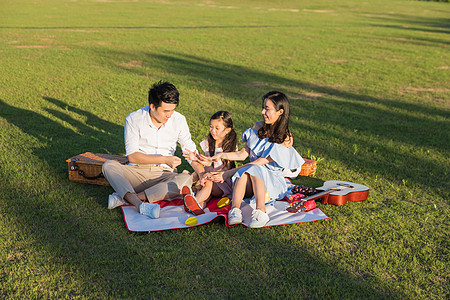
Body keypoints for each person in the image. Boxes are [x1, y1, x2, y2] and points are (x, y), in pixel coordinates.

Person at [102, 81, 205, 218]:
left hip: (164, 175)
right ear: (153, 106)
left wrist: (202, 173)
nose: (170, 115)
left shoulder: (179, 120)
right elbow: (133, 156)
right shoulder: (134, 119)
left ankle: (126, 198)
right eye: (166, 111)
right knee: (109, 166)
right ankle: (140, 205)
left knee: (185, 179)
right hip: (137, 172)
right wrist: (165, 159)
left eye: (173, 110)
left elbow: (191, 153)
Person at [208, 91, 304, 228]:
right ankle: (235, 210)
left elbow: (260, 162)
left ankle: (261, 211)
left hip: (271, 182)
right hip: (252, 176)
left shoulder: (285, 138)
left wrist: (228, 173)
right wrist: (221, 155)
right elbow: (242, 154)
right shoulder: (258, 127)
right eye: (263, 107)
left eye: (267, 109)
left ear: (280, 112)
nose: (262, 111)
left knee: (253, 168)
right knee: (245, 174)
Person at [181, 111, 238, 215]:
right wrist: (196, 158)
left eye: (217, 128)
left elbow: (225, 169)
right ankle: (198, 206)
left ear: (227, 130)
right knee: (195, 177)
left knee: (207, 183)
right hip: (207, 175)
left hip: (220, 181)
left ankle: (194, 201)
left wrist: (209, 175)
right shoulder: (209, 142)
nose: (213, 130)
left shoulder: (230, 147)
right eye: (211, 127)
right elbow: (207, 162)